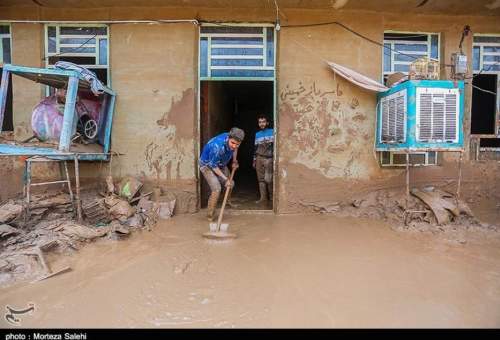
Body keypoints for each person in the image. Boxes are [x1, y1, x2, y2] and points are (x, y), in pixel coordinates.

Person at [200, 127, 245, 221]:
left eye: (237, 144)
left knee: (231, 184)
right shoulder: (217, 146)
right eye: (232, 143)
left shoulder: (234, 140)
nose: (234, 146)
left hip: (220, 164)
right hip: (207, 165)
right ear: (228, 138)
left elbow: (234, 149)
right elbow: (213, 166)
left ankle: (228, 201)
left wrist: (234, 160)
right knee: (217, 189)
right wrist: (225, 179)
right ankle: (210, 215)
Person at [253, 115, 274, 204]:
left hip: (269, 158)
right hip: (259, 158)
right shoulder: (257, 134)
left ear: (267, 123)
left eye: (263, 122)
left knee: (269, 179)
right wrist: (254, 160)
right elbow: (255, 147)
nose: (262, 124)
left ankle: (272, 198)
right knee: (261, 179)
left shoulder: (273, 131)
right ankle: (263, 198)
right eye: (260, 122)